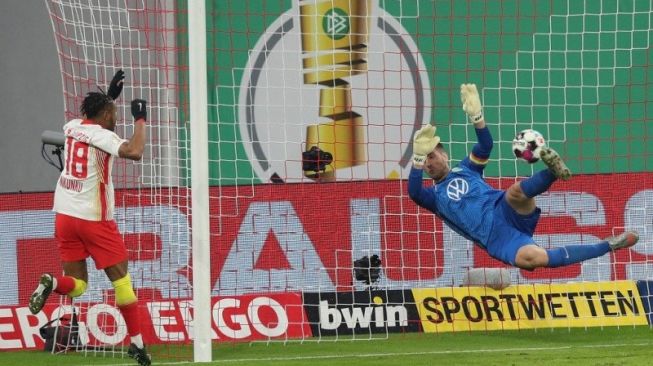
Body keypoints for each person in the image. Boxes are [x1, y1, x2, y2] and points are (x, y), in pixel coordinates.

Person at [408, 83, 639, 271]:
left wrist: (477, 117)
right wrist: (416, 158)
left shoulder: (467, 168)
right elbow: (414, 192)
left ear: (444, 154)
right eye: (424, 160)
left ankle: (553, 171)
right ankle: (607, 245)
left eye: (431, 156)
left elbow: (486, 144)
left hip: (503, 208)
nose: (428, 163)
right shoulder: (434, 197)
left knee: (515, 192)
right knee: (534, 258)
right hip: (497, 239)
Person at [29, 70, 151, 366]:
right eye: (115, 114)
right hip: (93, 218)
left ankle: (52, 282)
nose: (117, 119)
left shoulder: (71, 127)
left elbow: (94, 118)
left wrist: (110, 97)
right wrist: (140, 118)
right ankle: (136, 345)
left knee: (78, 284)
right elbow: (135, 151)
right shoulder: (103, 136)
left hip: (64, 214)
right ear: (106, 115)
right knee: (122, 283)